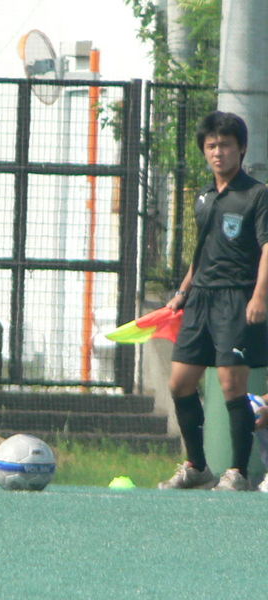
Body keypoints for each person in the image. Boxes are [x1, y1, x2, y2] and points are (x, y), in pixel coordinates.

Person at [158, 111, 268, 492]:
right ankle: (197, 467)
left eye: (225, 144)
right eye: (211, 146)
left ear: (241, 149)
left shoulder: (257, 194)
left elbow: (267, 247)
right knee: (180, 383)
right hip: (200, 300)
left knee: (231, 386)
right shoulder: (204, 197)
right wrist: (182, 292)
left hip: (237, 298)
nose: (218, 152)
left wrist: (259, 295)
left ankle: (238, 471)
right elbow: (201, 252)